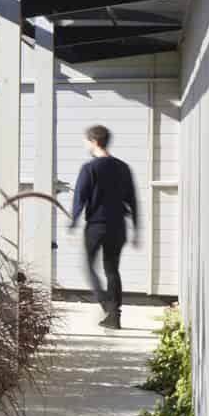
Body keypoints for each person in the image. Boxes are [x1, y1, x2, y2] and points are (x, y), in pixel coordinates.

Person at [68, 124, 137, 329]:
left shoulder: (90, 168)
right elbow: (132, 200)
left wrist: (73, 224)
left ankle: (107, 305)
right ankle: (114, 316)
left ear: (94, 142)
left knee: (89, 265)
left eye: (87, 141)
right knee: (112, 269)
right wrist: (137, 228)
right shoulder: (123, 167)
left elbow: (80, 197)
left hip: (97, 226)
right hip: (118, 226)